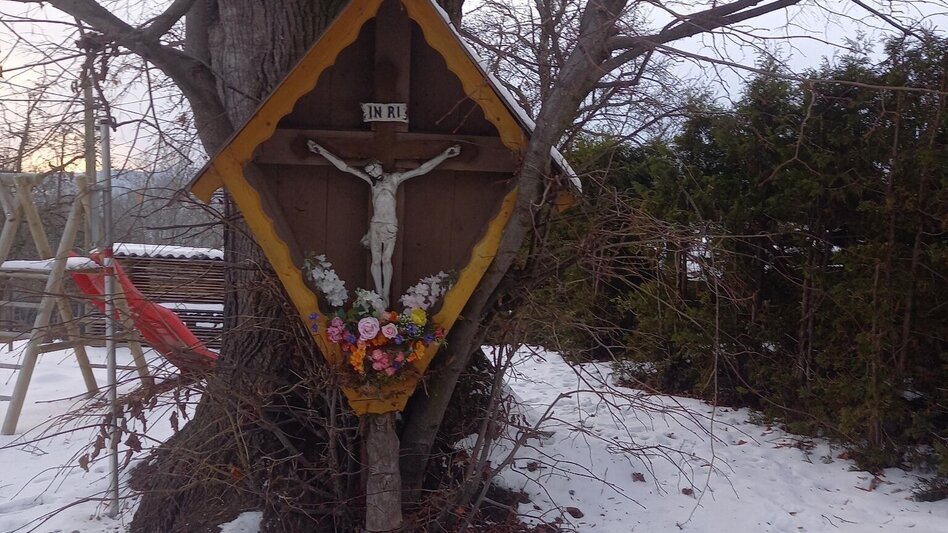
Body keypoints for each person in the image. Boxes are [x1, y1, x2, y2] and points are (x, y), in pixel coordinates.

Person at [306, 140, 461, 306]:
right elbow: (344, 167)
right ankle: (379, 294)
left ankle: (385, 294)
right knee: (375, 260)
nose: (373, 172)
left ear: (379, 166)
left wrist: (445, 155)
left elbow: (421, 170)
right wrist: (321, 151)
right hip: (376, 225)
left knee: (386, 260)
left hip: (389, 225)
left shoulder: (394, 179)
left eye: (374, 168)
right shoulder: (372, 183)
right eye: (370, 171)